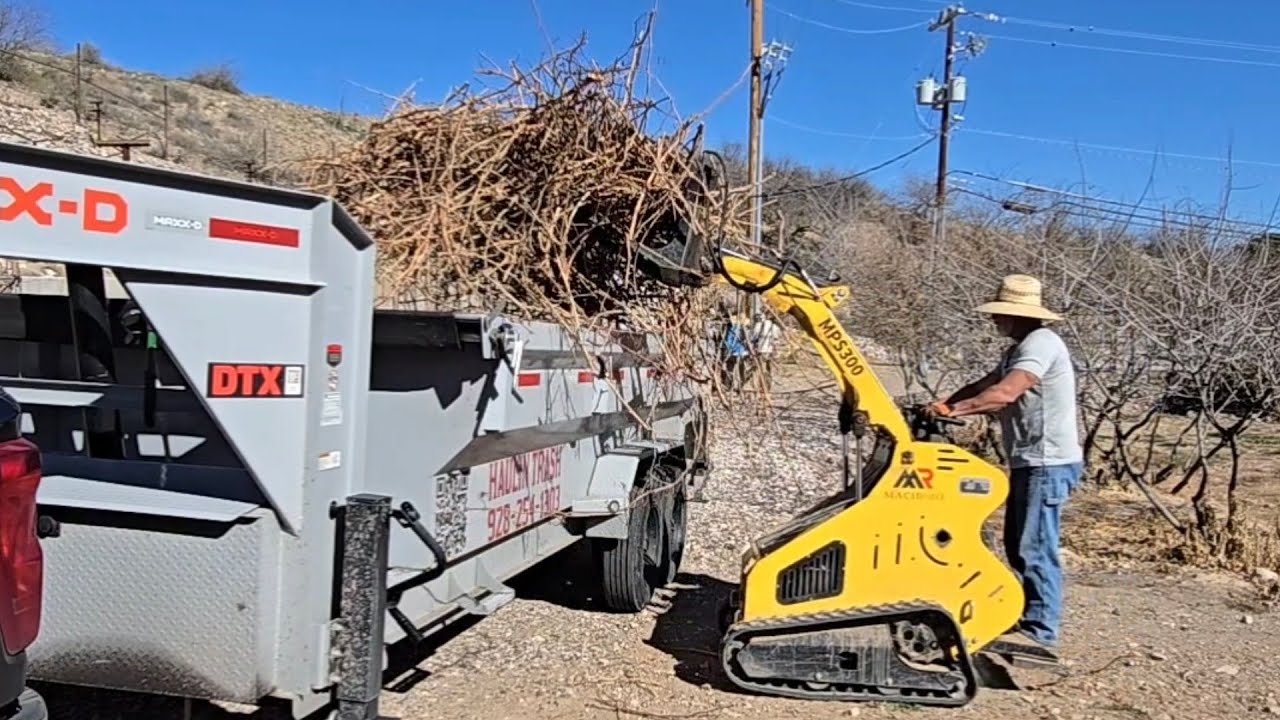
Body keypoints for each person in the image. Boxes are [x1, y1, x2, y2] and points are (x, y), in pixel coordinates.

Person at [924, 274, 1083, 660]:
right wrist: (944, 400)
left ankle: (1041, 629)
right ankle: (1026, 616)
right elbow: (986, 384)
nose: (996, 321)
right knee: (1018, 542)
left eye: (1001, 315)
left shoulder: (1041, 343)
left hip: (1048, 460)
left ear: (1017, 315)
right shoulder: (1018, 349)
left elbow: (1006, 393)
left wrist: (953, 410)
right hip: (1031, 459)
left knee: (1035, 544)